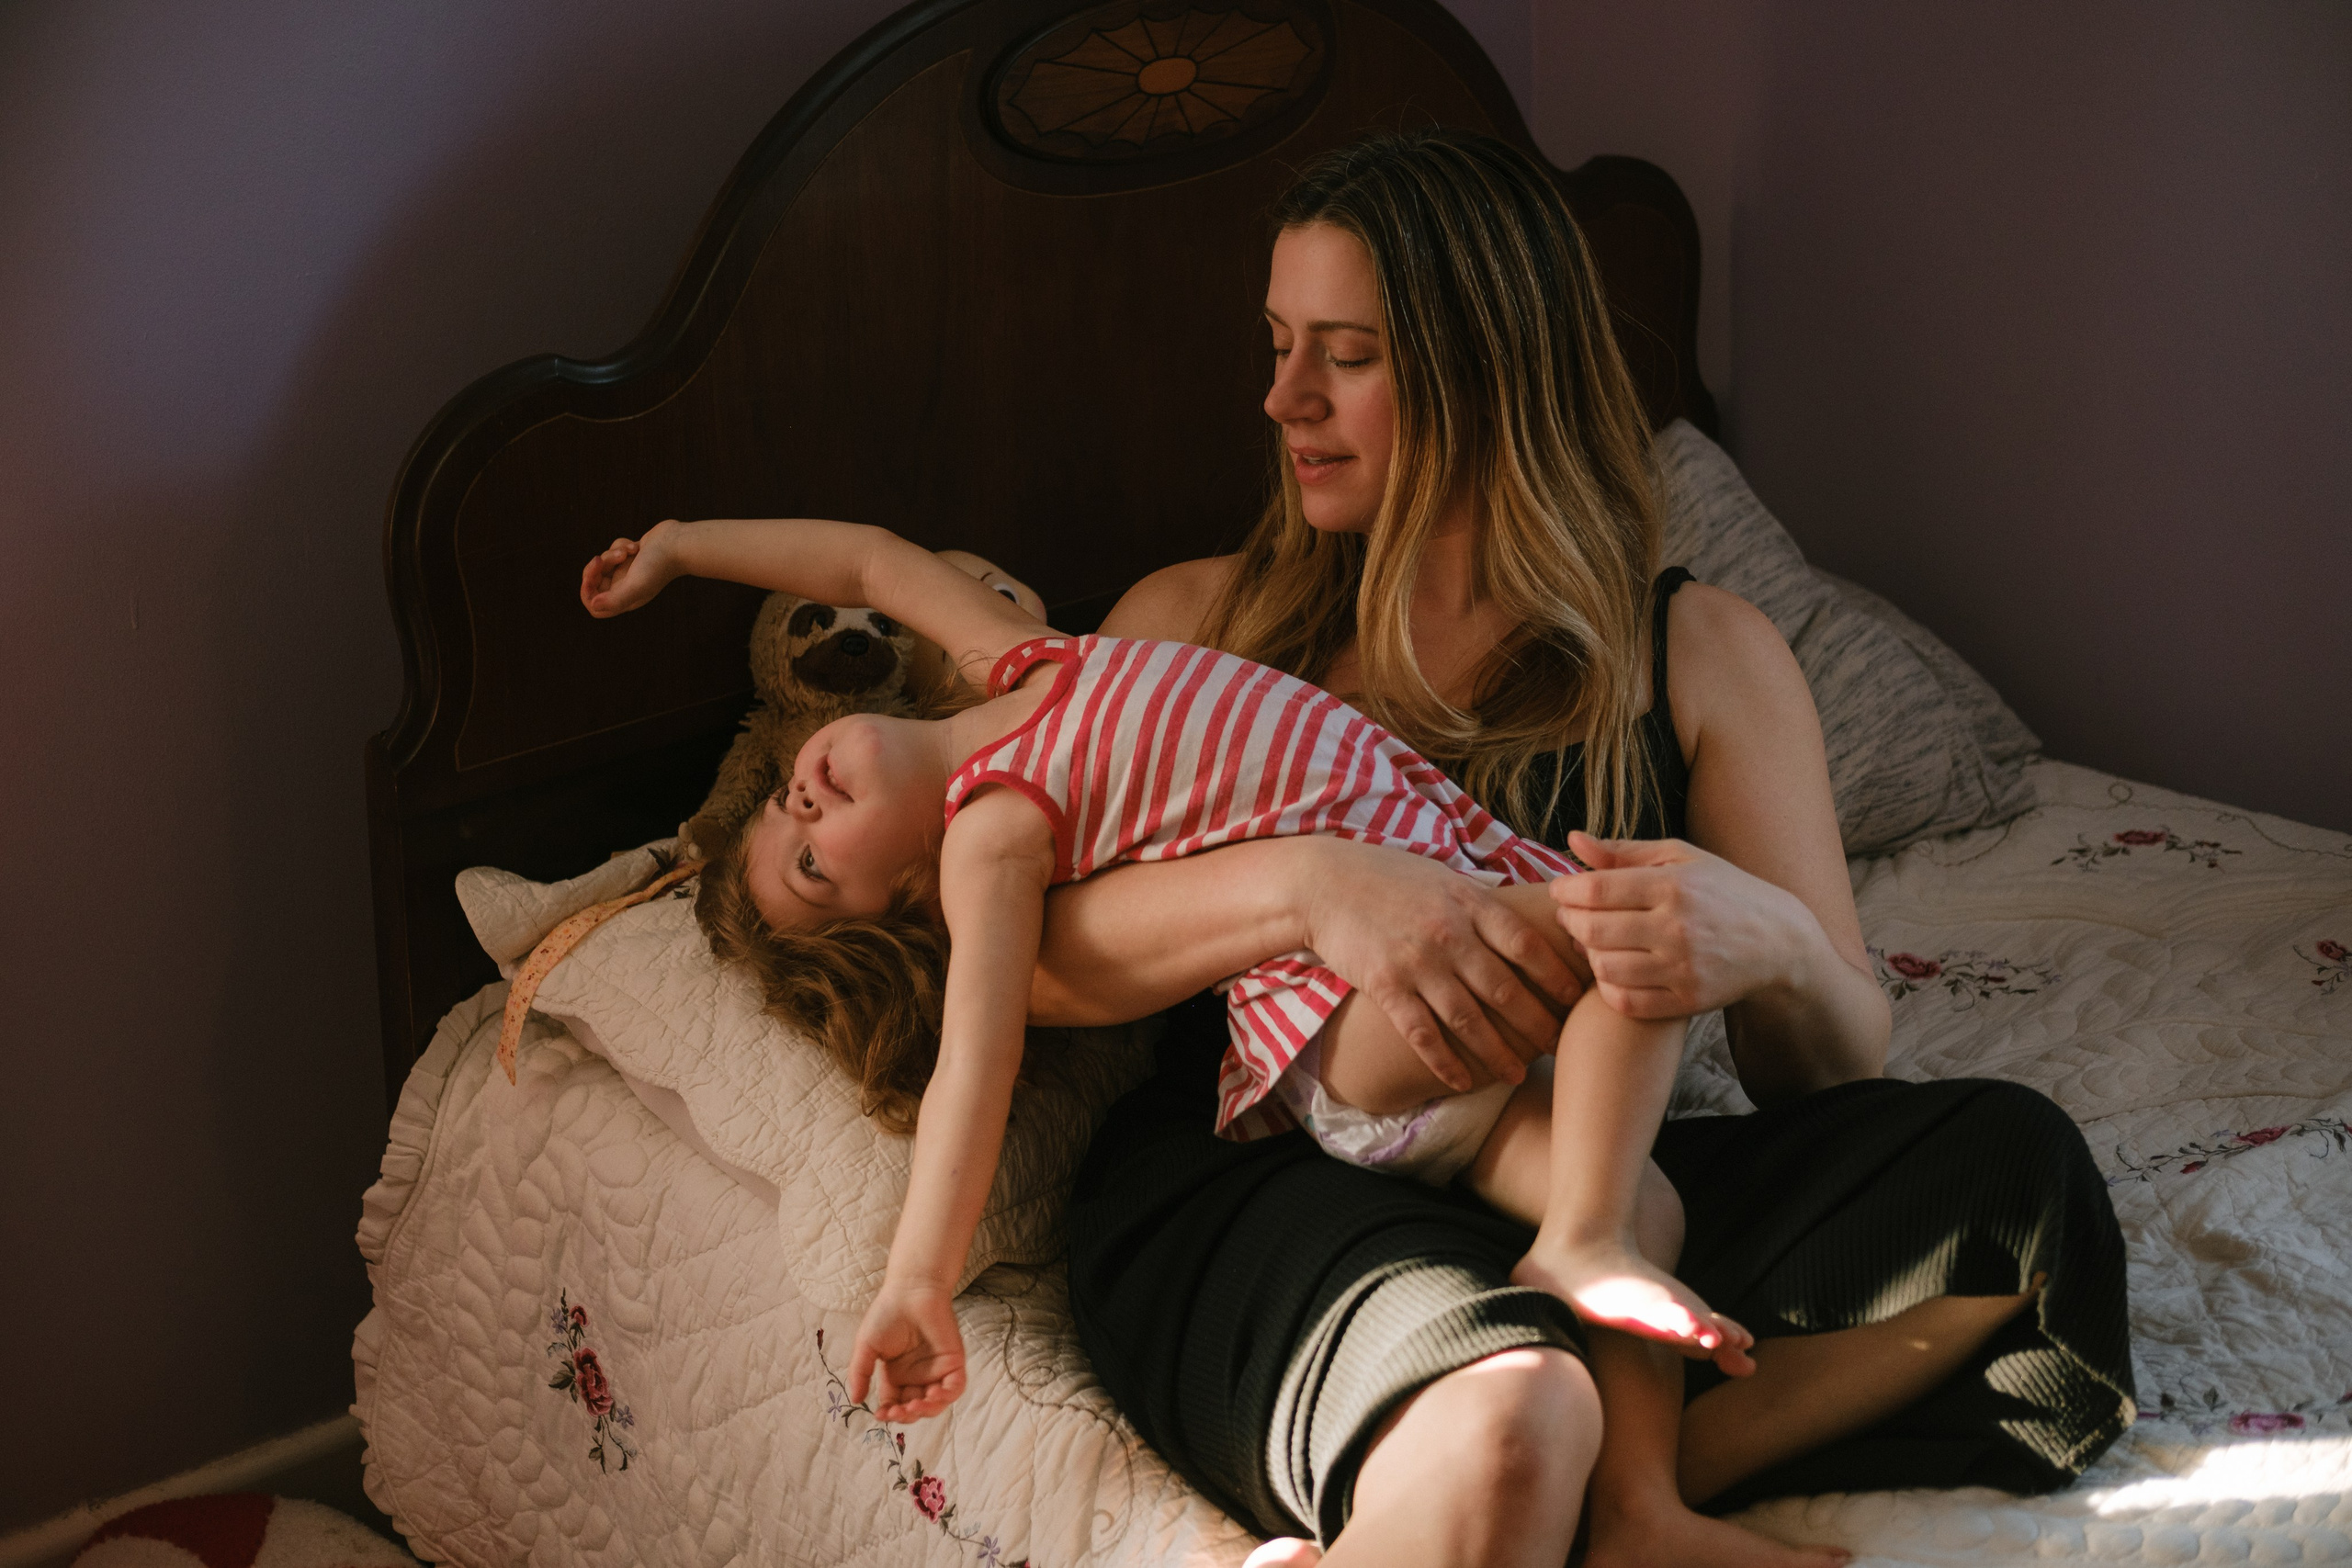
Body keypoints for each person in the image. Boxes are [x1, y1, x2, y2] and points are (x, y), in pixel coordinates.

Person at [1021, 130, 2134, 1568]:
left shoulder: (1701, 652)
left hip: (1588, 1188)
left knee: (2016, 1179)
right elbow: (1040, 965)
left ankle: (1597, 1494)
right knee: (1511, 1406)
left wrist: (1777, 945)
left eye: (1343, 354)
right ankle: (1546, 1464)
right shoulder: (1195, 625)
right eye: (1281, 342)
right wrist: (1307, 884)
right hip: (1275, 1184)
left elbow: (1838, 1061)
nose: (1281, 397)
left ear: (1488, 368)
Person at [576, 513, 1754, 1417]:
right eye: (813, 864)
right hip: (1351, 1007)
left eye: (784, 797)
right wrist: (916, 1281)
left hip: (1430, 908)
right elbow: (972, 1076)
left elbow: (869, 562)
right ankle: (1580, 1246)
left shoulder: (1024, 664)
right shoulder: (990, 838)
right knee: (1630, 924)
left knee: (1648, 1184)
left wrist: (681, 547)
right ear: (905, 900)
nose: (802, 798)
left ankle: (1640, 1492)